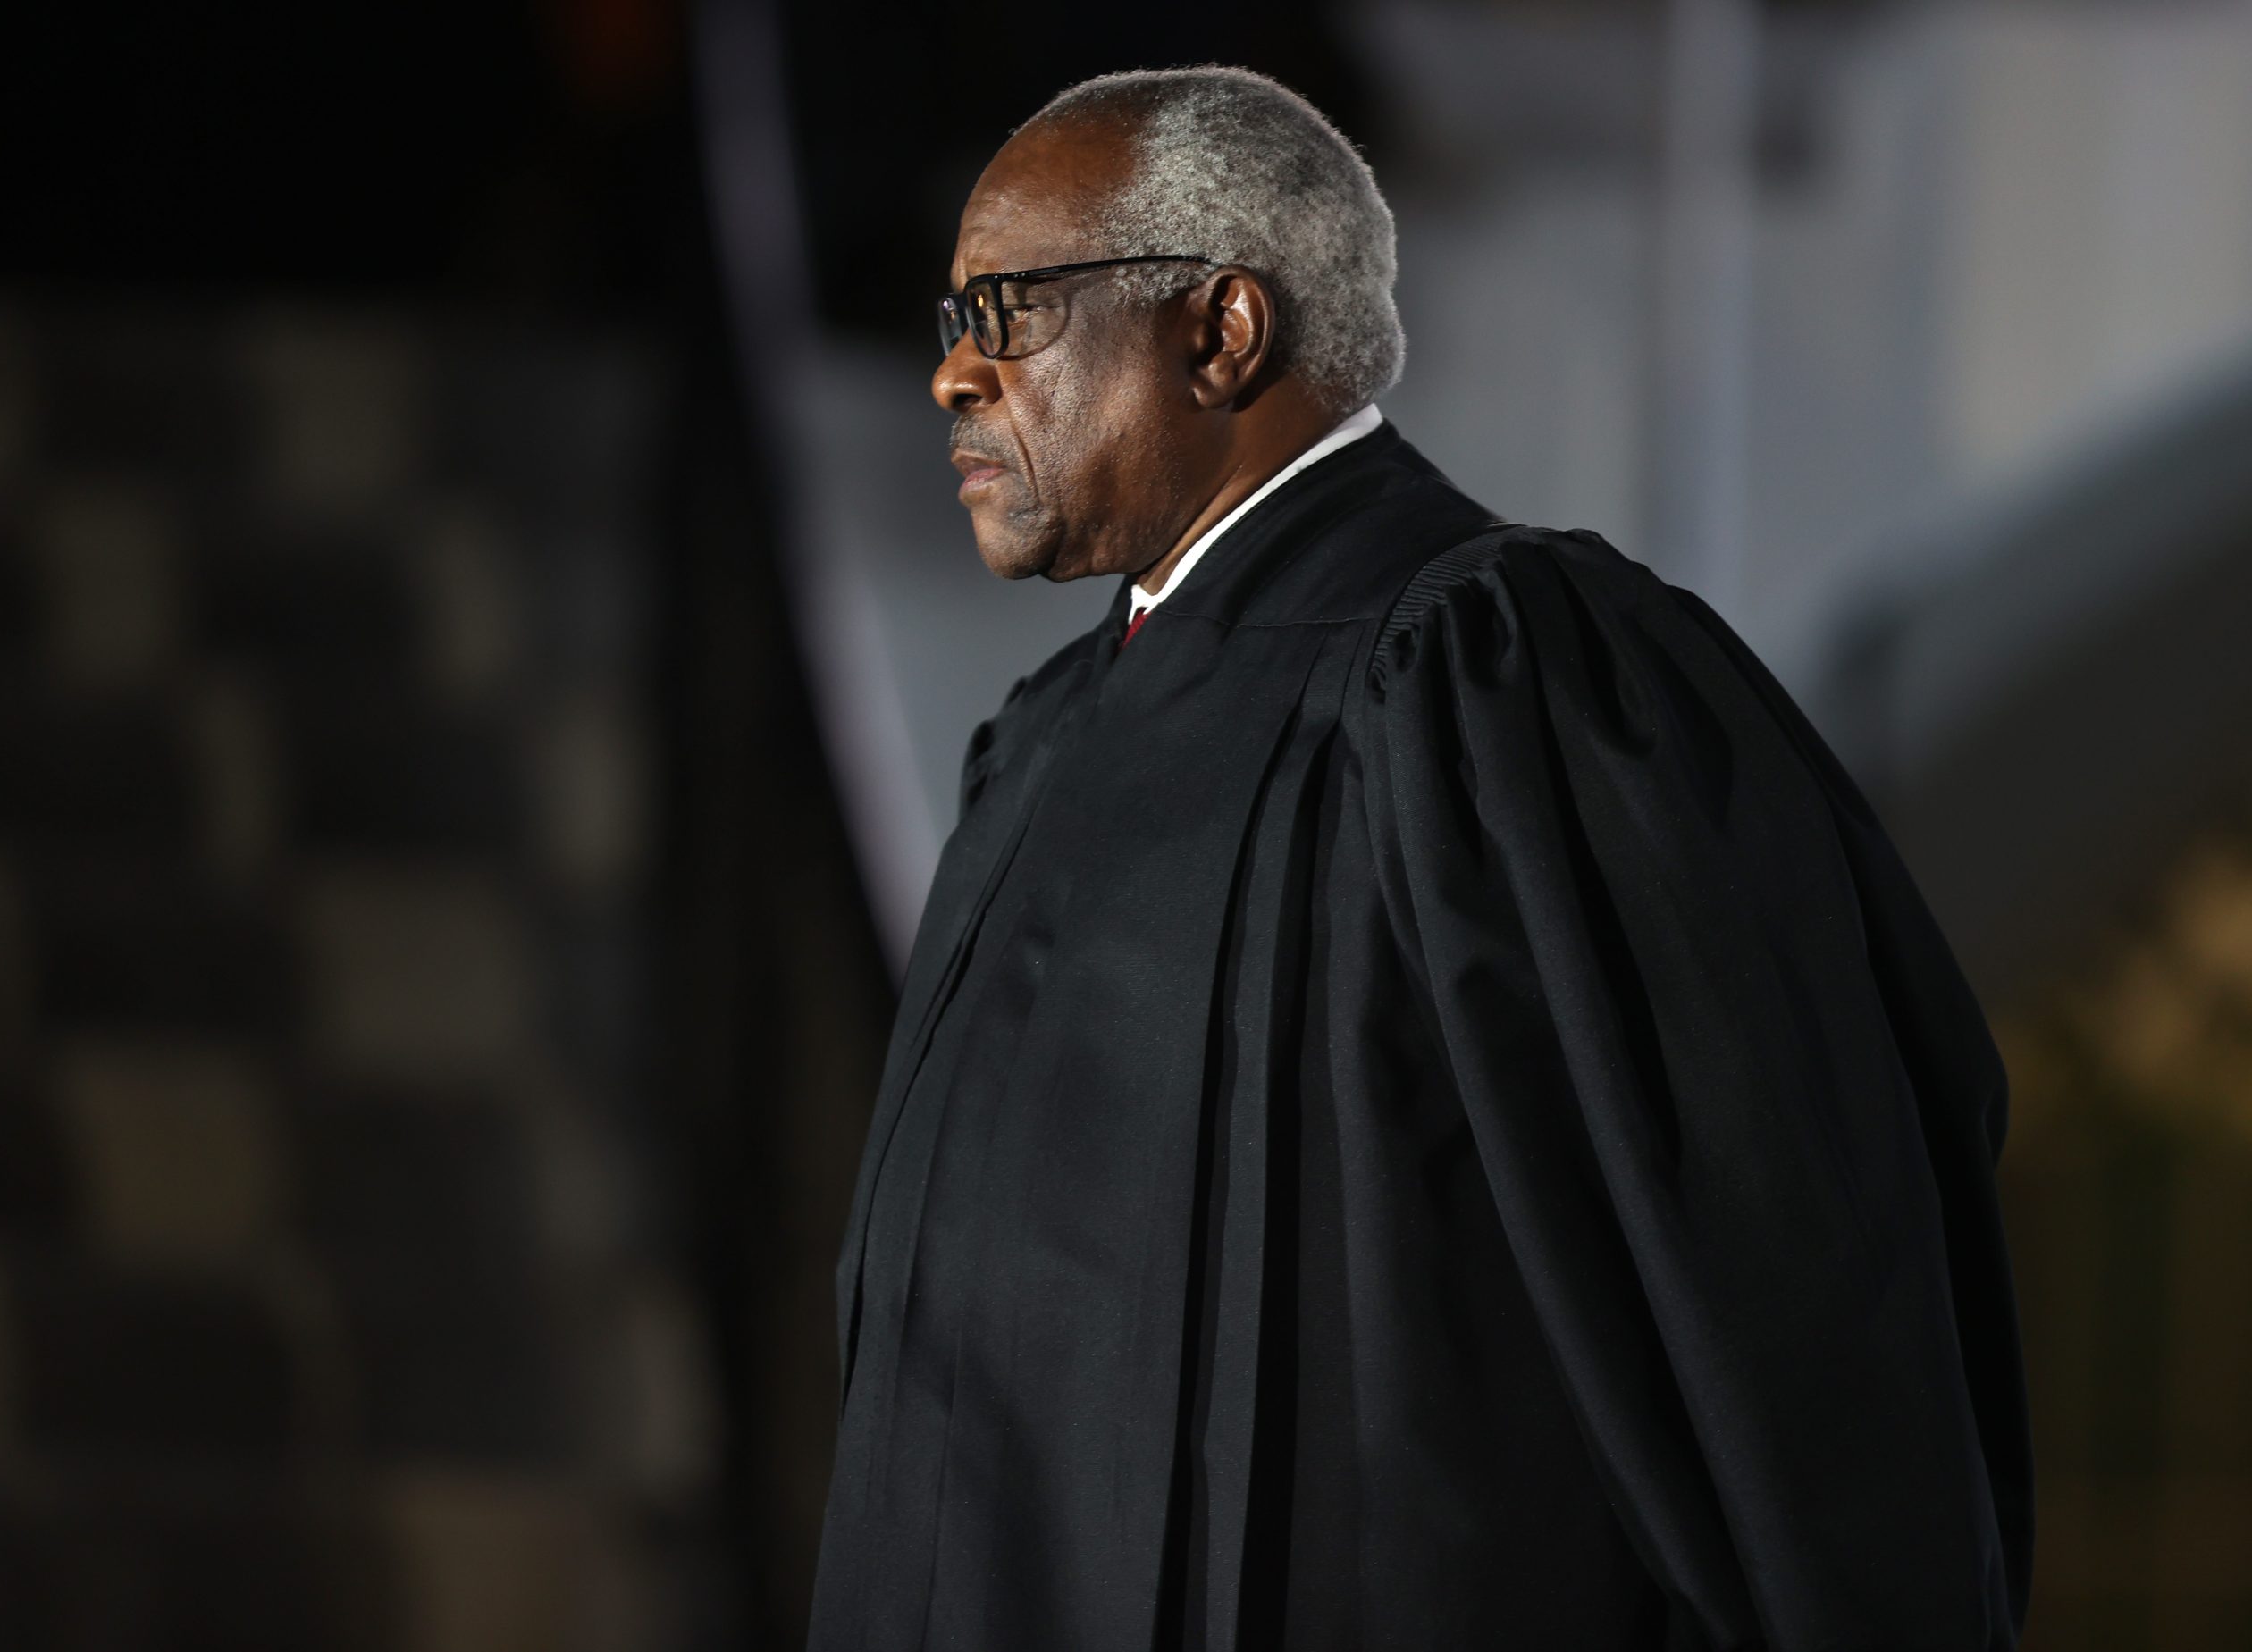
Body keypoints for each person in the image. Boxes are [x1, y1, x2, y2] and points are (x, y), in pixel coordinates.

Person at [810, 65, 2032, 1652]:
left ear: (1221, 331)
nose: (952, 375)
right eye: (946, 316)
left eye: (1008, 310)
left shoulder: (1504, 687)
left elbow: (1787, 1333)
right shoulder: (1040, 747)